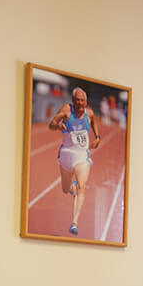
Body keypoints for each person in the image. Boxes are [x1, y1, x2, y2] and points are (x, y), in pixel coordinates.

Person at [48, 87, 101, 236]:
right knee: (66, 190)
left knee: (82, 186)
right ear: (73, 100)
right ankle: (71, 187)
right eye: (77, 100)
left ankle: (74, 222)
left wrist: (97, 137)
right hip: (66, 155)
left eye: (82, 100)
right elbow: (51, 124)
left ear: (86, 101)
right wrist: (57, 126)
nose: (80, 103)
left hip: (81, 156)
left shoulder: (89, 113)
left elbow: (94, 122)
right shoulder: (66, 110)